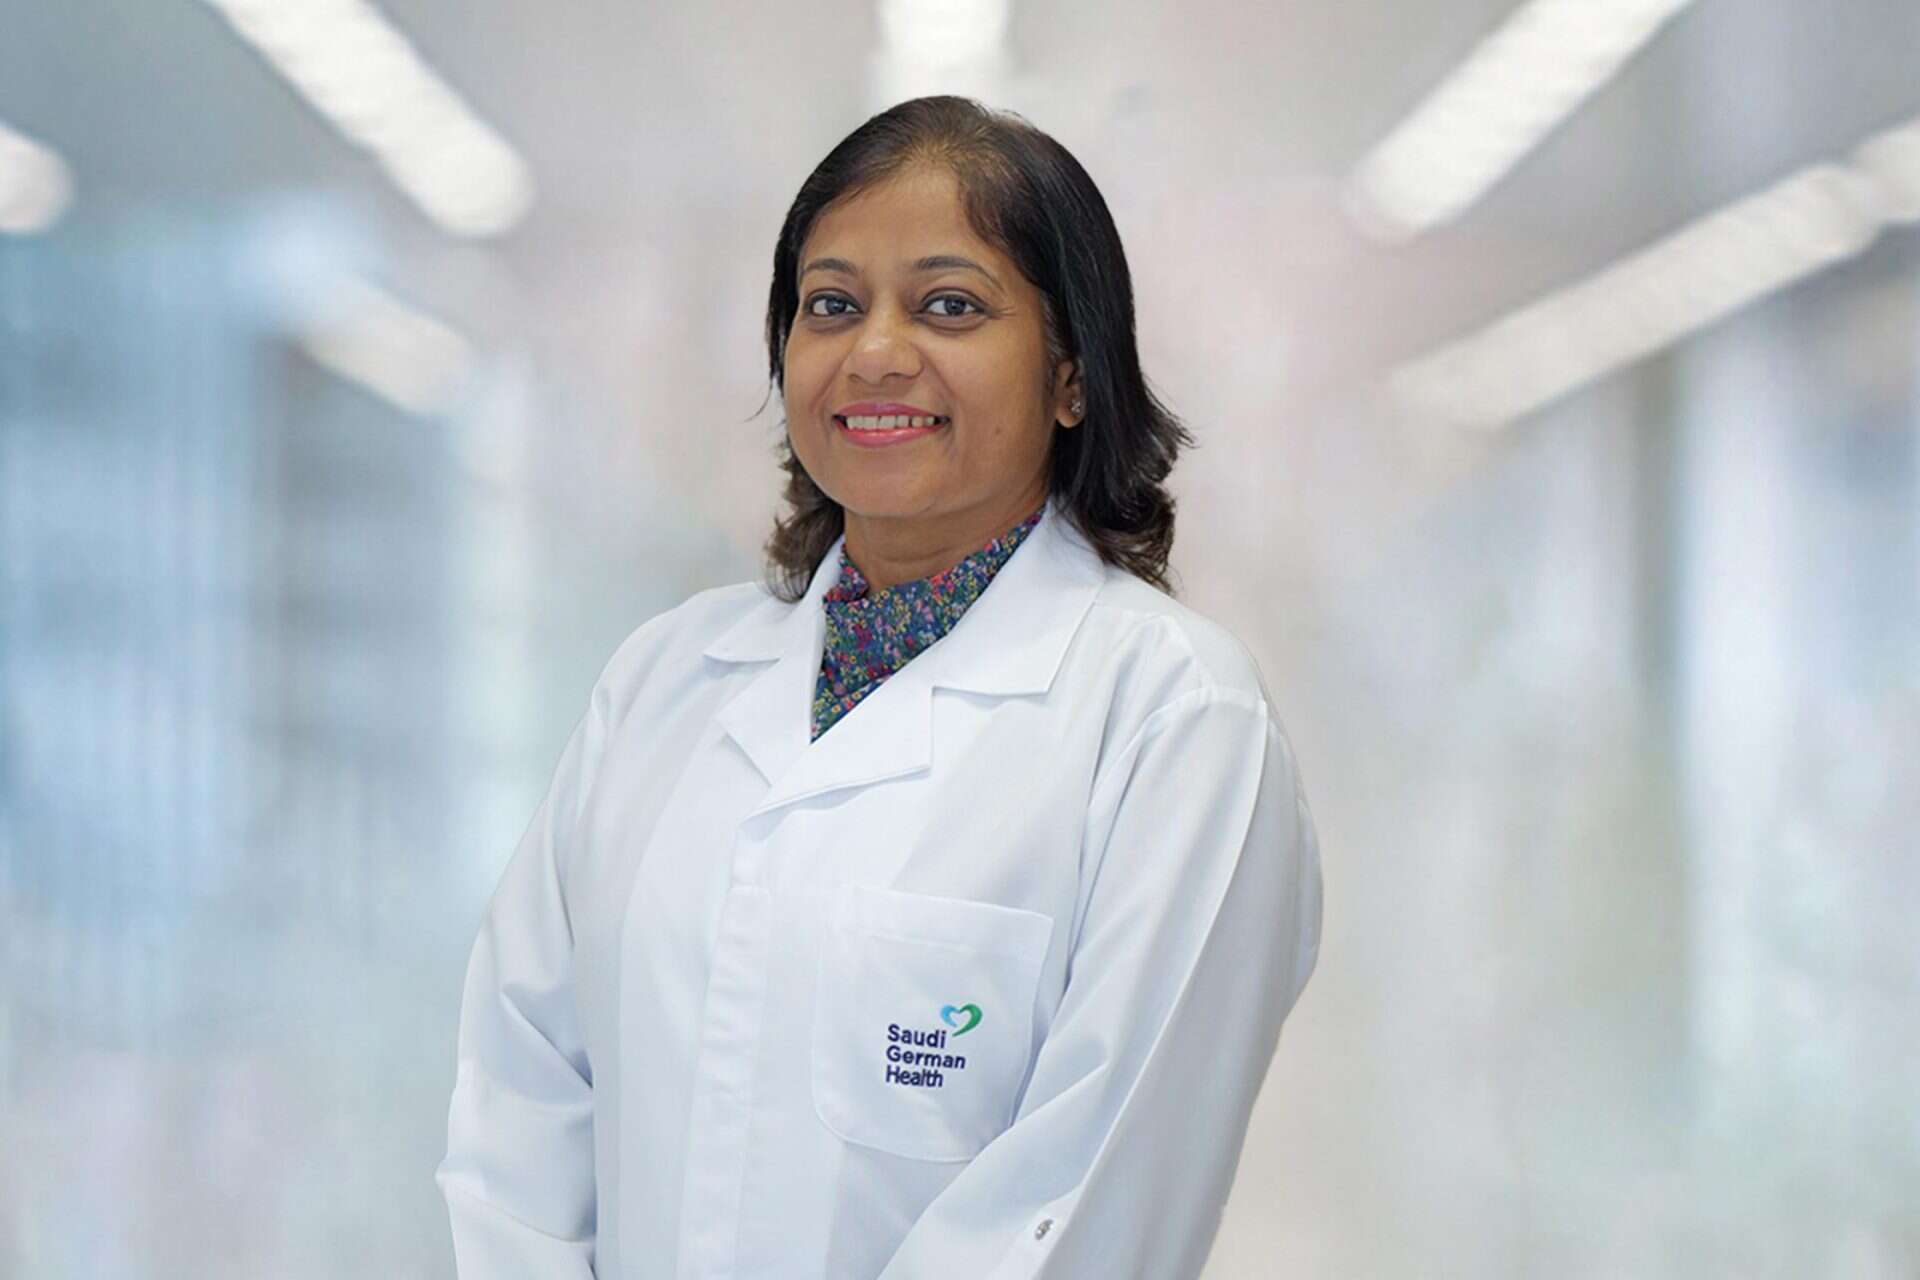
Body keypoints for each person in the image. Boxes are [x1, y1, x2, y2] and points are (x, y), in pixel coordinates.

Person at [435, 94, 1323, 1279]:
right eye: (831, 304)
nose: (875, 352)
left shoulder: (1177, 721)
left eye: (951, 304)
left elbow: (1086, 1203)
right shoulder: (662, 681)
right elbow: (521, 1094)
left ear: (1072, 374)